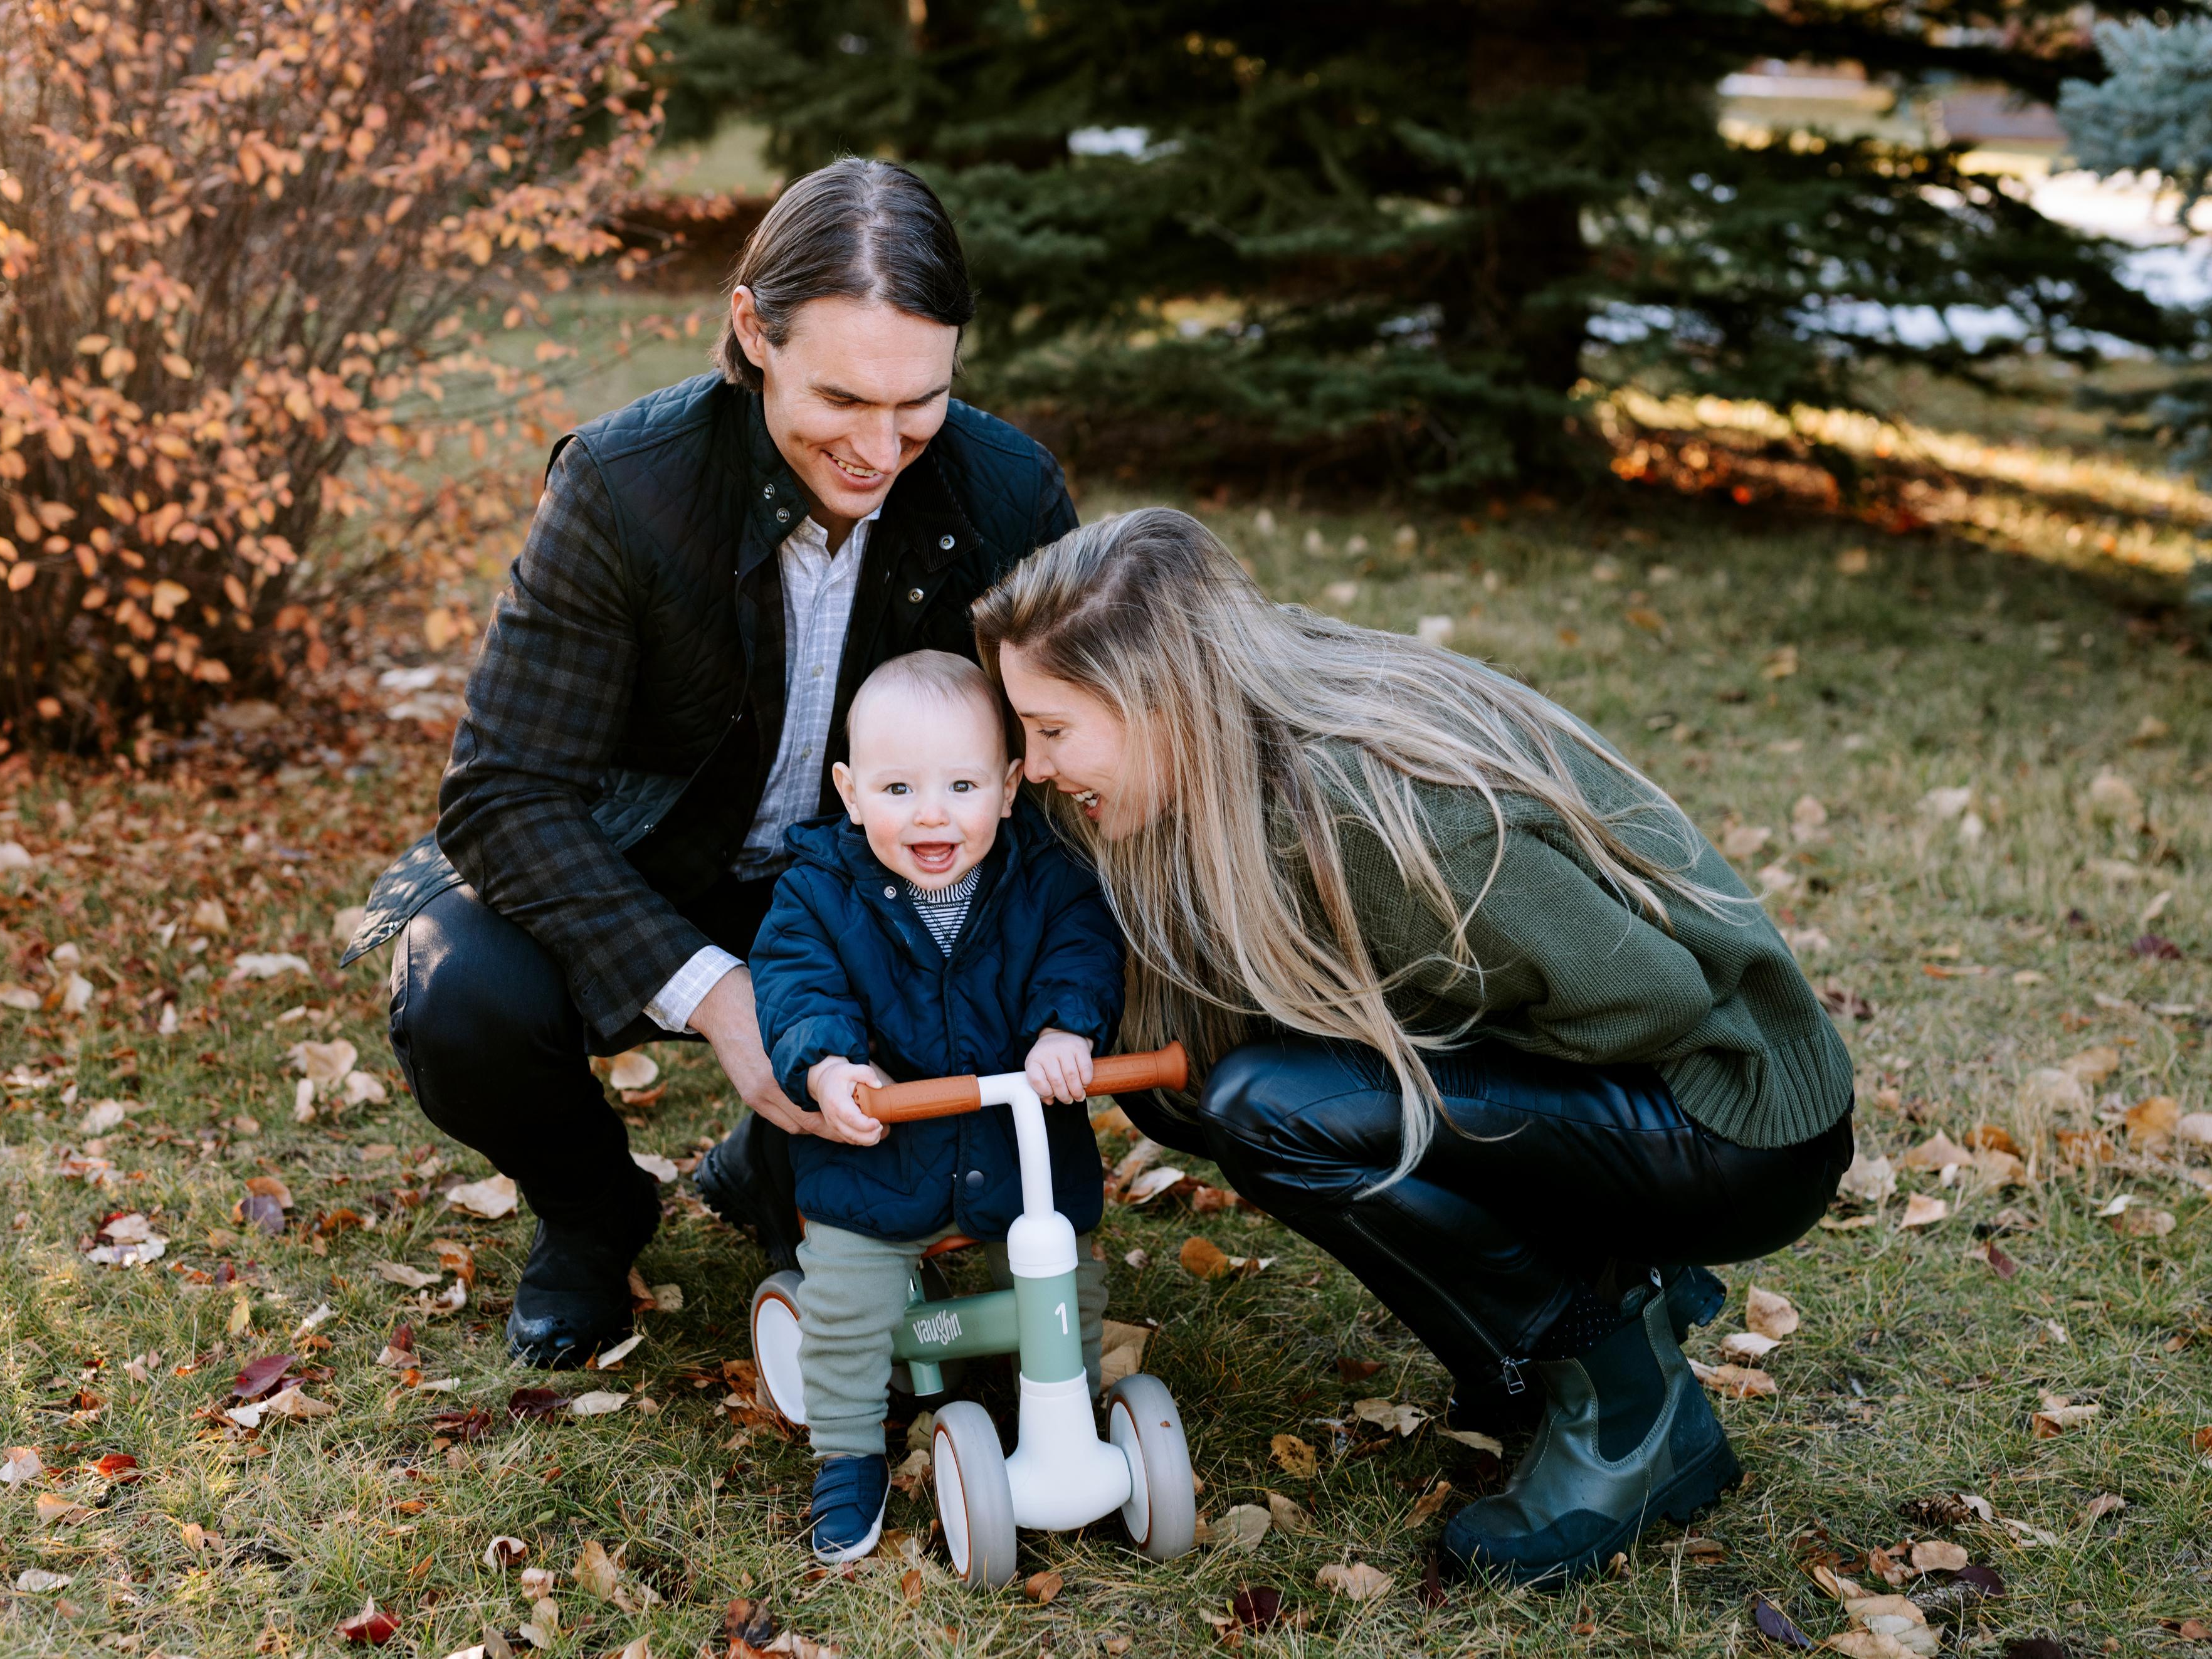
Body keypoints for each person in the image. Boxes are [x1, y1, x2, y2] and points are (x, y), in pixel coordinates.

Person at [966, 508, 1856, 1588]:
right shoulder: (1232, 734)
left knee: (1278, 1106)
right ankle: (1570, 1323)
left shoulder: (1388, 819)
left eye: (1054, 730)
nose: (1037, 763)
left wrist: (1423, 1062)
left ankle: (1626, 1401)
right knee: (1197, 1085)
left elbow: (1653, 999)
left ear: (1161, 699)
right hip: (1637, 1081)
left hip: (1728, 1112)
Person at [346, 159, 1077, 1369]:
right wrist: (719, 996)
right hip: (652, 864)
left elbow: (1051, 760)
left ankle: (774, 1172)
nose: (882, 446)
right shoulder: (626, 487)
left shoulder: (1007, 496)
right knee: (460, 990)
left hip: (880, 885)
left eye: (921, 401)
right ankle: (595, 1214)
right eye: (842, 398)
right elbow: (501, 790)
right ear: (753, 329)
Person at [749, 650, 1122, 1562]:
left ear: (1005, 788)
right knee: (845, 1300)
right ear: (849, 789)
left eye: (960, 784)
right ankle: (845, 1446)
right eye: (899, 786)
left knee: (1070, 1278)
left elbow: (1083, 949)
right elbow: (798, 986)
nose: (930, 813)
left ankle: (1077, 1397)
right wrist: (831, 1068)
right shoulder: (817, 894)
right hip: (881, 1154)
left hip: (1012, 1143)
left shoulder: (1044, 878)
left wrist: (1064, 1028)